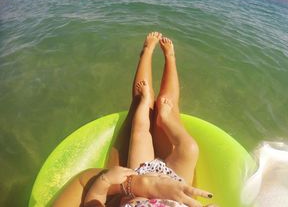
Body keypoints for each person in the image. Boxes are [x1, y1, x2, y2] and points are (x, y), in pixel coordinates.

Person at [53, 32, 215, 207]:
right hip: (174, 186)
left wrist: (110, 181)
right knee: (178, 128)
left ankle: (147, 53)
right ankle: (170, 59)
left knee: (141, 112)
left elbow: (91, 193)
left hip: (138, 176)